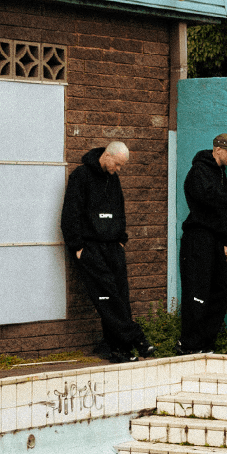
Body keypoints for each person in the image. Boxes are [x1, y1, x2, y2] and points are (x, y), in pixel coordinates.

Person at [60, 141, 153, 363]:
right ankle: (137, 338)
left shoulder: (113, 179)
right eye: (117, 164)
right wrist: (77, 247)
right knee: (107, 297)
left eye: (121, 166)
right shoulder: (81, 176)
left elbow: (120, 210)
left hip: (113, 246)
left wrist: (121, 239)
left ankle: (120, 350)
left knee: (120, 296)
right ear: (107, 155)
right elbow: (70, 212)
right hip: (90, 247)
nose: (118, 169)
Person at [179, 133, 227, 354]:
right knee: (197, 292)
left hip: (214, 239)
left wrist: (224, 241)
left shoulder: (220, 173)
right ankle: (189, 344)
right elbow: (211, 197)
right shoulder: (199, 172)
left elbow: (220, 211)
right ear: (217, 150)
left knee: (221, 292)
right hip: (198, 238)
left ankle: (205, 343)